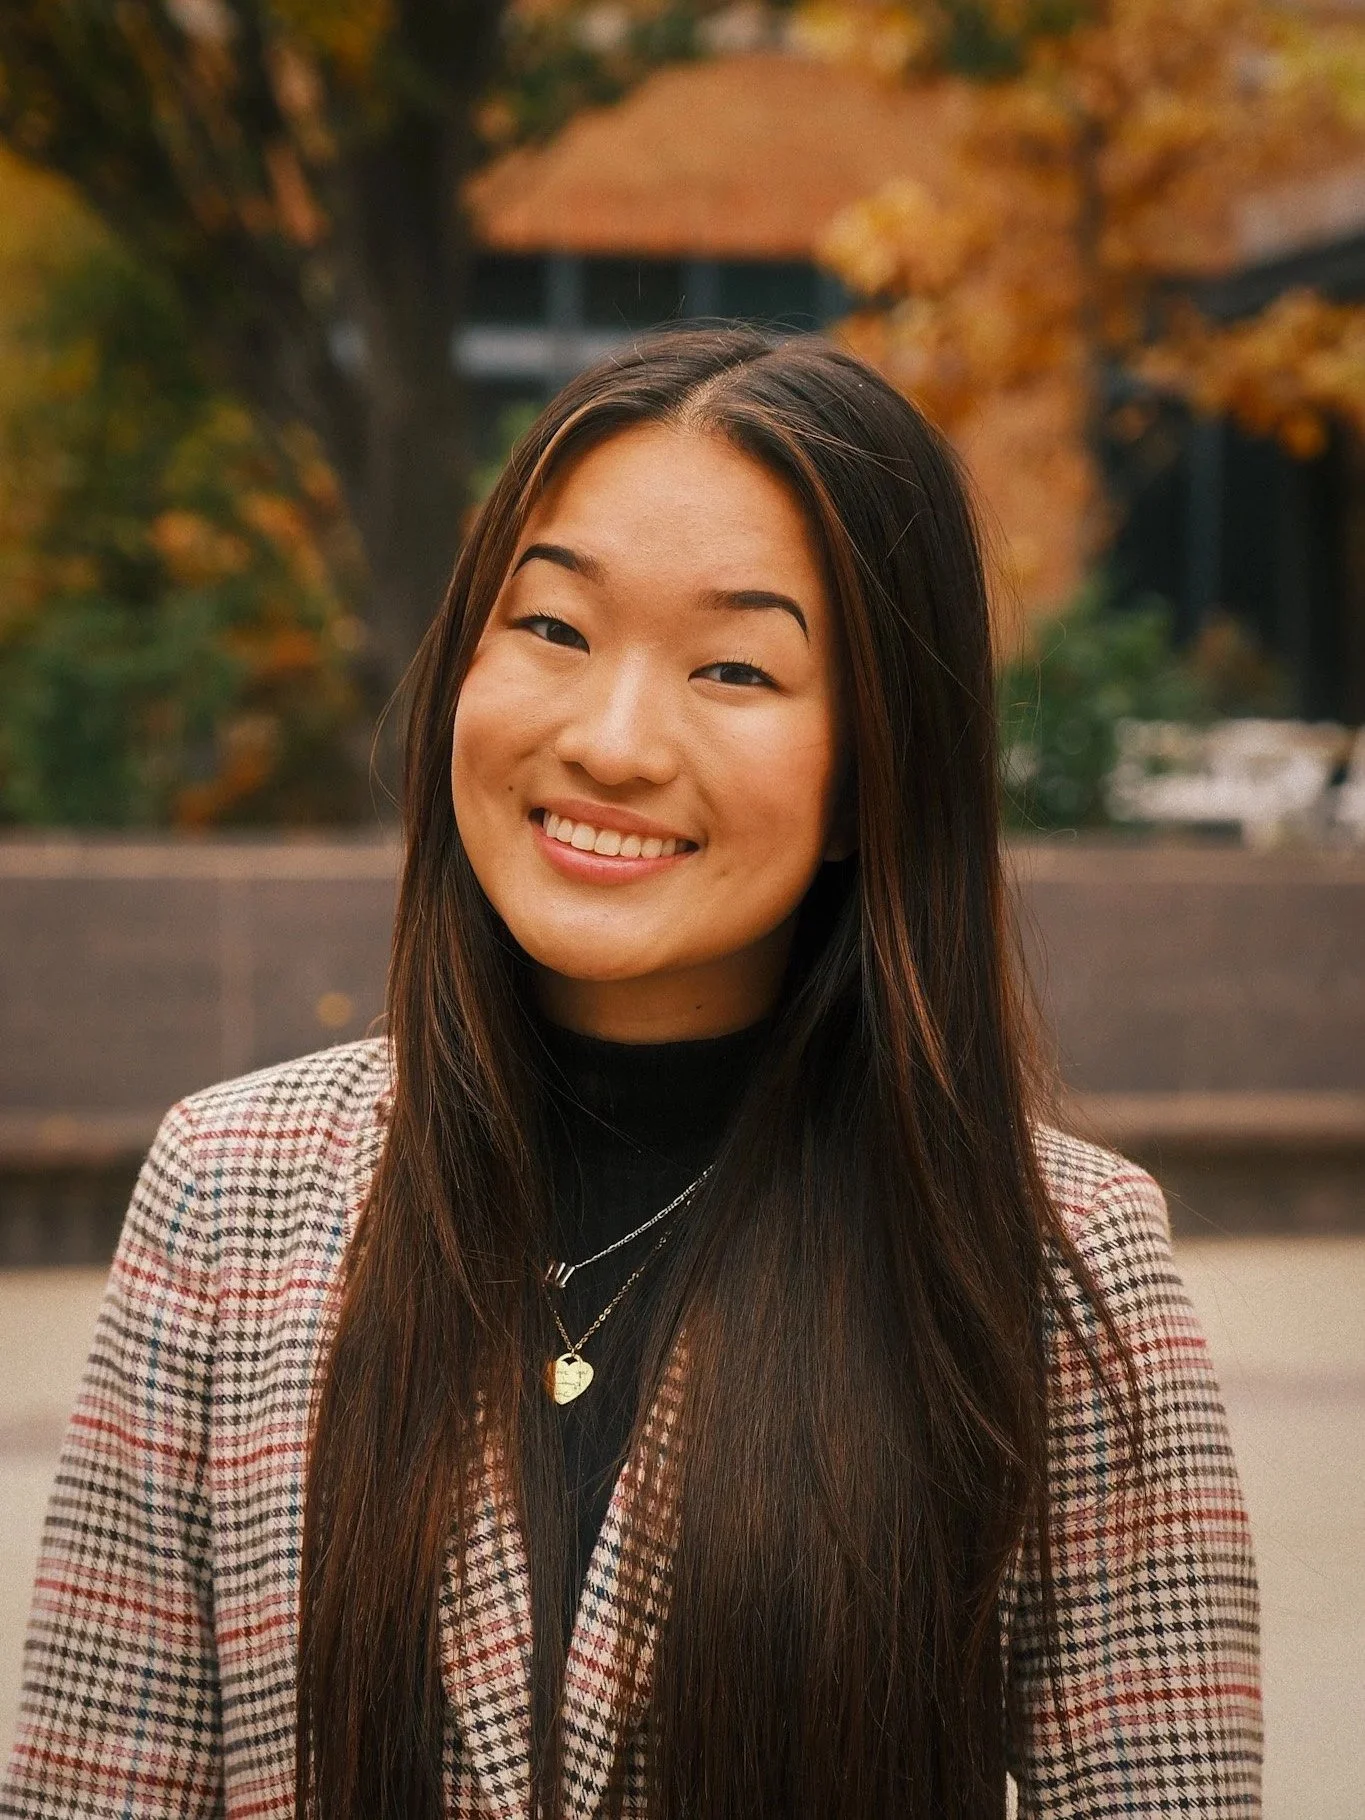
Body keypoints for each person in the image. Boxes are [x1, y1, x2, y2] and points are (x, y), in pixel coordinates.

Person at [1, 329, 1260, 1820]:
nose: (610, 741)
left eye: (736, 665)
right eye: (552, 630)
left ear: (873, 772)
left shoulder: (1054, 1259)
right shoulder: (232, 1187)